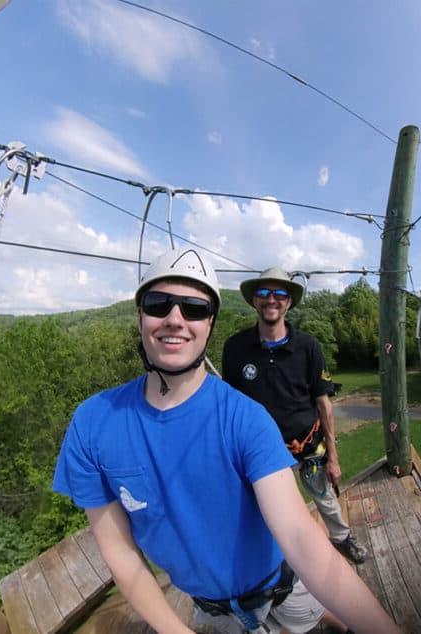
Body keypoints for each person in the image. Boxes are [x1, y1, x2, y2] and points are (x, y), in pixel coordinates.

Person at [52, 249, 397, 634]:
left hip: (283, 578)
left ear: (209, 323)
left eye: (194, 309)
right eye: (158, 304)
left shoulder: (247, 419)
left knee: (313, 615)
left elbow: (301, 539)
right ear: (139, 316)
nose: (175, 319)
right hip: (213, 612)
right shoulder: (92, 425)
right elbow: (119, 550)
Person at [223, 267, 367, 564]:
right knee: (276, 509)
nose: (271, 299)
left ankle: (341, 538)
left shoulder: (308, 347)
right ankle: (286, 559)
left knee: (325, 498)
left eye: (279, 293)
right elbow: (231, 409)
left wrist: (335, 458)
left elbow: (323, 404)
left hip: (309, 444)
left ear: (289, 302)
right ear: (254, 300)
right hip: (265, 454)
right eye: (263, 293)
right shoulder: (236, 349)